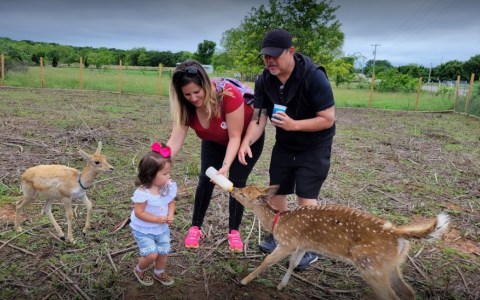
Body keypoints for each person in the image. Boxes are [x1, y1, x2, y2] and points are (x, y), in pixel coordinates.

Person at [238, 28, 336, 271]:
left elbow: (327, 118)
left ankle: (310, 248)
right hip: (285, 143)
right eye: (265, 56)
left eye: (275, 55)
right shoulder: (264, 79)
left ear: (290, 51)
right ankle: (281, 236)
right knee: (277, 190)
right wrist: (246, 142)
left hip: (315, 145)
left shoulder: (313, 77)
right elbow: (258, 117)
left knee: (306, 195)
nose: (269, 61)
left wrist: (294, 125)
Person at [166, 60, 264, 252]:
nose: (193, 98)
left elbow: (235, 137)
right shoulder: (185, 107)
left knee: (236, 182)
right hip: (214, 139)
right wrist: (158, 160)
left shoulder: (227, 95)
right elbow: (175, 141)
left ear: (205, 85)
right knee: (205, 179)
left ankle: (234, 231)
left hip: (244, 139)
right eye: (187, 94)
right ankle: (195, 227)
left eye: (197, 92)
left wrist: (226, 166)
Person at [130, 141, 176, 286]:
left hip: (162, 228)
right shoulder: (143, 193)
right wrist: (157, 219)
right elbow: (139, 213)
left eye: (168, 172)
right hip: (144, 230)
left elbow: (171, 201)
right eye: (164, 174)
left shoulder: (166, 187)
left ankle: (159, 272)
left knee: (163, 252)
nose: (168, 177)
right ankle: (138, 269)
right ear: (150, 175)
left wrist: (170, 215)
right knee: (151, 254)